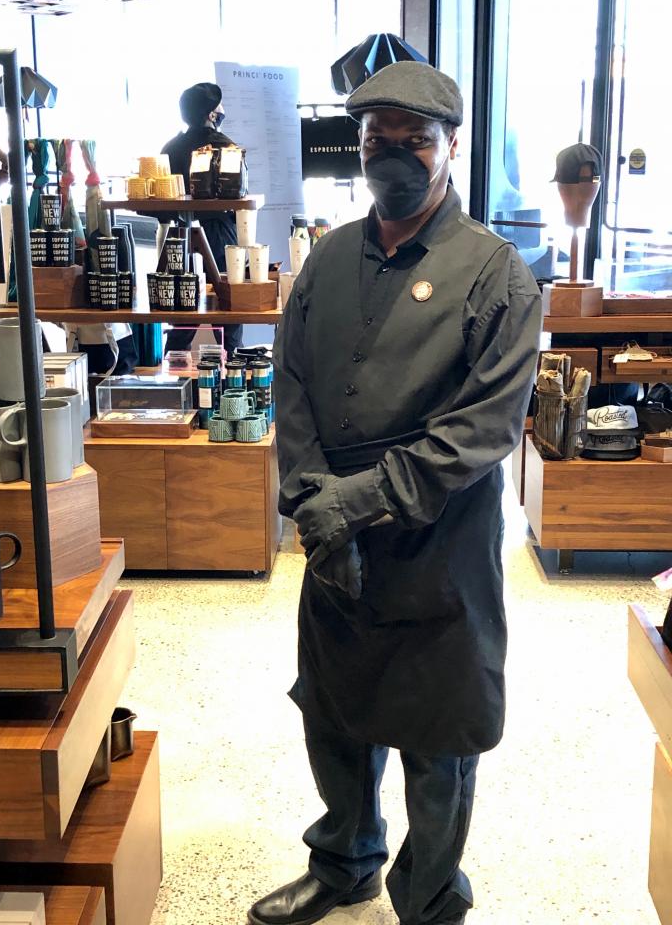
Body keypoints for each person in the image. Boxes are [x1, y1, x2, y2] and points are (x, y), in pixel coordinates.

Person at [248, 61, 542, 925]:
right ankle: (344, 863)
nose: (395, 156)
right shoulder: (330, 257)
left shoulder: (496, 275)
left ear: (454, 146)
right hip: (335, 539)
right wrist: (312, 500)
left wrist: (358, 501)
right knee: (332, 713)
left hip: (436, 547)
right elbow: (291, 383)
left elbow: (481, 433)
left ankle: (429, 898)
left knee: (438, 738)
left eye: (415, 140)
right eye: (379, 140)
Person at [161, 82, 243, 359]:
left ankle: (173, 375)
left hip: (179, 233)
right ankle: (235, 371)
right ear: (211, 113)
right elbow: (239, 194)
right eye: (218, 106)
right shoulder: (226, 147)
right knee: (228, 304)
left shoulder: (170, 148)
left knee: (182, 307)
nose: (222, 110)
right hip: (219, 230)